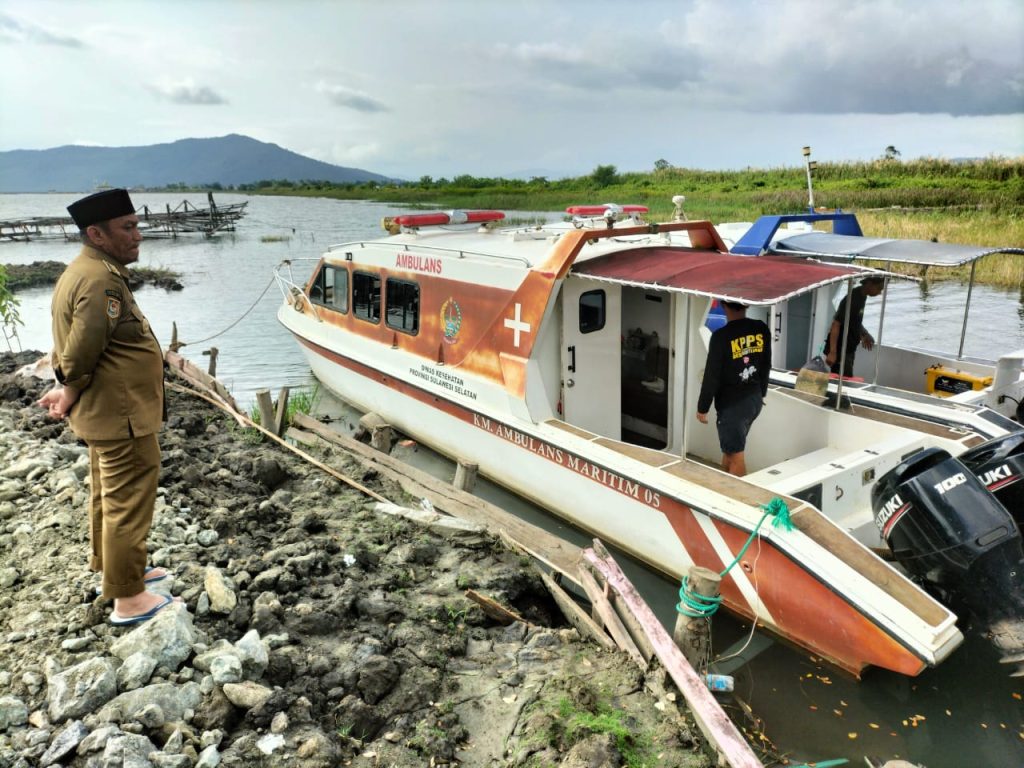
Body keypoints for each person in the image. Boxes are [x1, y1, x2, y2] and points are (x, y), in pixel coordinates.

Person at [38, 189, 177, 625]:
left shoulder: (86, 270)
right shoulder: (100, 280)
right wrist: (69, 390)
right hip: (122, 414)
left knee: (108, 495)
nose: (138, 235)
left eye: (137, 224)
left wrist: (67, 392)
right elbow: (80, 354)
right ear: (96, 234)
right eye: (127, 228)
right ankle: (128, 598)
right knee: (127, 500)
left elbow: (79, 347)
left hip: (111, 412)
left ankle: (116, 571)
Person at [696, 301, 771, 476]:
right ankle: (723, 486)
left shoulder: (721, 337)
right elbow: (766, 364)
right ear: (747, 305)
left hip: (733, 407)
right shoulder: (761, 328)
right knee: (730, 450)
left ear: (723, 306)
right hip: (754, 400)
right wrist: (762, 393)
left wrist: (702, 408)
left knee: (736, 456)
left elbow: (711, 376)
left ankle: (735, 499)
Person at [824, 276, 885, 377]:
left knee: (845, 378)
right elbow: (836, 324)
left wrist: (864, 333)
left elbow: (854, 320)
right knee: (844, 380)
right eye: (879, 288)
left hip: (849, 348)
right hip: (841, 350)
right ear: (869, 283)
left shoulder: (862, 296)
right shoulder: (853, 298)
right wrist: (833, 352)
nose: (879, 292)